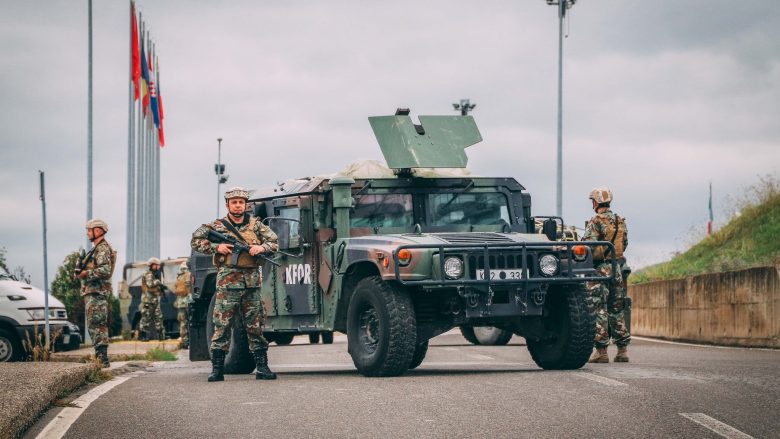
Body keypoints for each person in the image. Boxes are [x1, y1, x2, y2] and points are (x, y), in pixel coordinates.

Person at [191, 186, 279, 382]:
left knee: (255, 326)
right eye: (234, 203)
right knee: (221, 326)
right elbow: (196, 240)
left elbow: (274, 243)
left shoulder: (256, 225)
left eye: (241, 202)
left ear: (245, 205)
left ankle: (262, 368)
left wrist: (260, 247)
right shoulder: (217, 226)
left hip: (251, 283)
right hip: (227, 283)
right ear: (228, 205)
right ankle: (217, 370)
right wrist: (216, 247)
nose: (238, 206)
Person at [582, 187, 630, 363]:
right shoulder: (619, 221)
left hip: (600, 270)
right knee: (617, 308)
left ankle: (601, 352)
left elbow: (587, 246)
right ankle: (622, 350)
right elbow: (624, 244)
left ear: (595, 202)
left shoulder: (595, 221)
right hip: (616, 267)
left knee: (599, 307)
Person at [76, 218, 116, 368]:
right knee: (94, 324)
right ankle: (100, 358)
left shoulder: (102, 248)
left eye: (89, 230)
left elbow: (105, 270)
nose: (87, 233)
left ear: (98, 231)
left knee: (97, 325)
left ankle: (102, 360)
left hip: (97, 292)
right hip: (92, 292)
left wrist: (86, 273)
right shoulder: (96, 248)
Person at [139, 257, 165, 341]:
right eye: (157, 265)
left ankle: (161, 336)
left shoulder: (153, 274)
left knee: (158, 317)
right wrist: (158, 282)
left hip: (154, 300)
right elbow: (150, 285)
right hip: (148, 300)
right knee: (146, 318)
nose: (158, 267)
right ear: (152, 265)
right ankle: (143, 336)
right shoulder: (148, 274)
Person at [174, 261, 192, 349]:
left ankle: (184, 342)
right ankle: (188, 342)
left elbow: (175, 289)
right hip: (187, 302)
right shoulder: (188, 274)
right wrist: (190, 297)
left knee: (182, 323)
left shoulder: (179, 277)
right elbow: (188, 285)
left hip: (180, 303)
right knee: (189, 322)